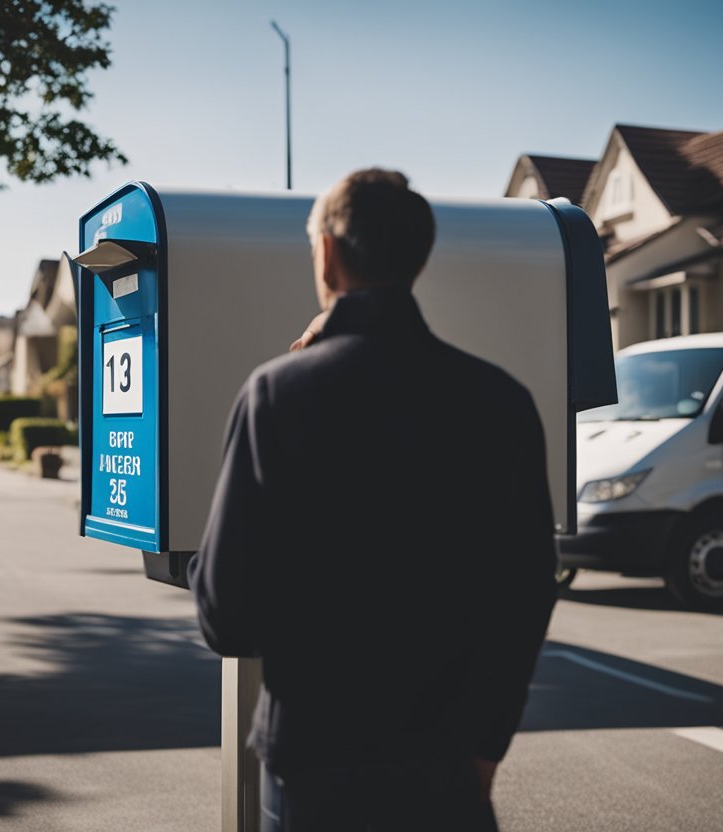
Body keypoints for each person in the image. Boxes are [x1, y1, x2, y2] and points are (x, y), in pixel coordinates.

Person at [187, 168, 558, 831]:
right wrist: (485, 745)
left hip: (313, 770)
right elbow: (527, 592)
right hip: (447, 771)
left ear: (327, 253)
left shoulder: (276, 396)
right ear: (419, 257)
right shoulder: (501, 403)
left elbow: (227, 617)